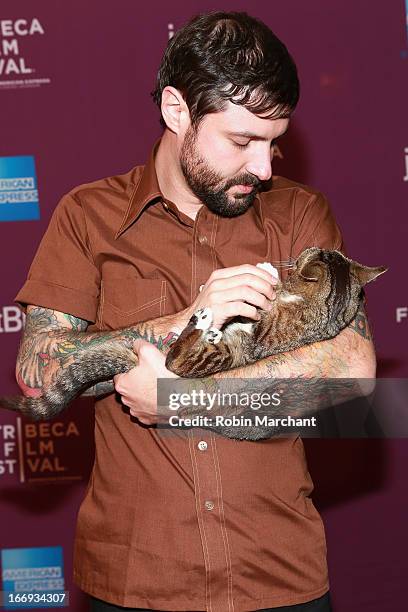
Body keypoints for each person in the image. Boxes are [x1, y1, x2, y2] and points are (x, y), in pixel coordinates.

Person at [14, 11, 375, 612]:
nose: (263, 168)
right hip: (136, 576)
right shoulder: (88, 216)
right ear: (177, 112)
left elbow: (350, 378)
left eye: (273, 142)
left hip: (277, 576)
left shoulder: (299, 216)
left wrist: (180, 398)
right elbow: (40, 374)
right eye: (241, 141)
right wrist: (191, 319)